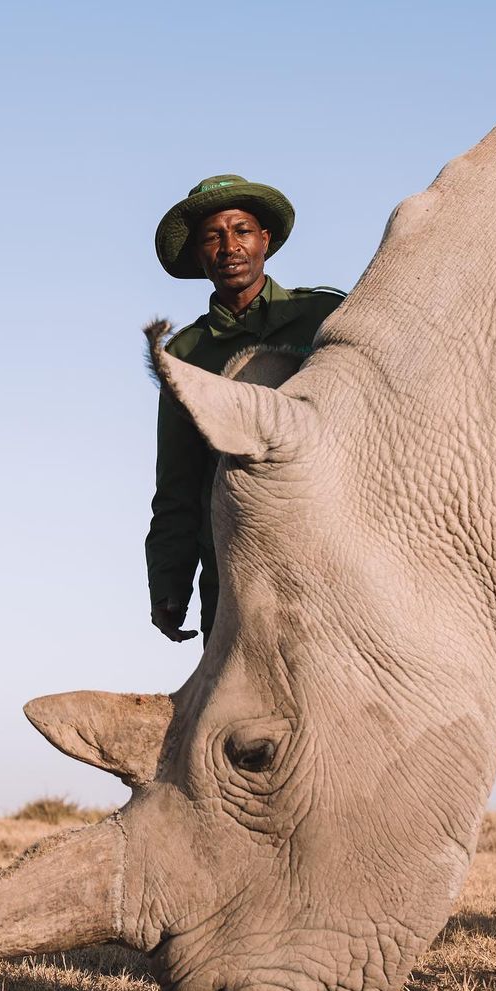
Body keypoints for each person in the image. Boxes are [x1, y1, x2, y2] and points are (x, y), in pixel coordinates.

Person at [146, 174, 344, 643]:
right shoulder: (184, 354)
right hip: (236, 569)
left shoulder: (326, 316)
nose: (229, 246)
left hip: (335, 556)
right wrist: (168, 583)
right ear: (199, 254)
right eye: (213, 236)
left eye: (242, 230)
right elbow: (178, 479)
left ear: (265, 240)